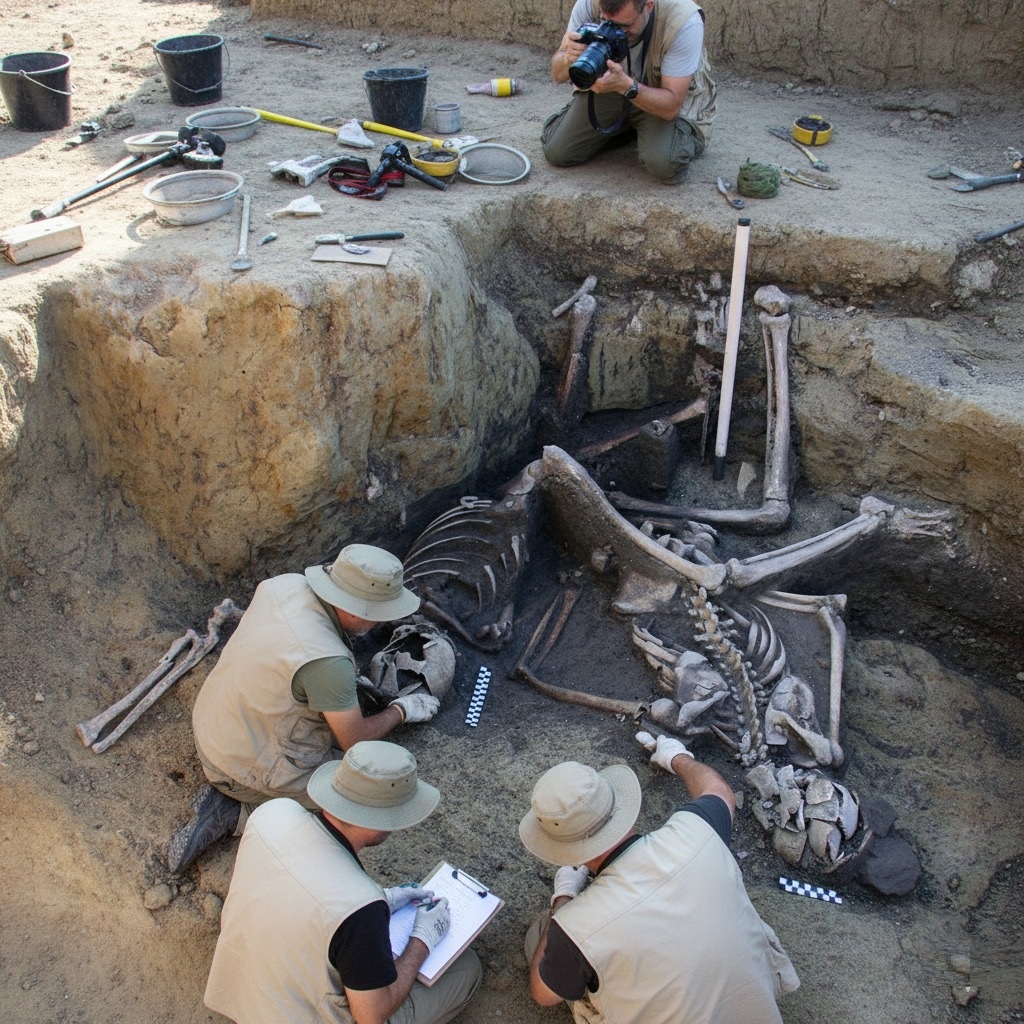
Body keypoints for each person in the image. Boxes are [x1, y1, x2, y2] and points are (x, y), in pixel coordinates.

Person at [167, 543, 442, 873]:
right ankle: (235, 811)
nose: (383, 618)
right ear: (358, 609)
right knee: (364, 797)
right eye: (379, 611)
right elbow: (354, 740)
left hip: (214, 727)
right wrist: (401, 710)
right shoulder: (328, 663)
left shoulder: (283, 584)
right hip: (241, 766)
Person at [519, 731, 800, 1023]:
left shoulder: (575, 927)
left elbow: (543, 994)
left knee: (540, 937)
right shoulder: (697, 829)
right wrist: (676, 757)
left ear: (564, 849)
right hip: (757, 1013)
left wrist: (564, 899)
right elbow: (718, 791)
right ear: (615, 803)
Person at [204, 740, 483, 1024]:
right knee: (467, 970)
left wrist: (384, 900)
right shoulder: (362, 910)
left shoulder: (273, 812)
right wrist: (421, 941)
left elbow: (298, 890)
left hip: (238, 991)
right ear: (383, 820)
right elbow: (371, 1015)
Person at [543, 0, 717, 184]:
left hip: (661, 97)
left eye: (625, 25)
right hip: (612, 89)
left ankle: (651, 134)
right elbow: (557, 75)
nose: (616, 31)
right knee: (558, 153)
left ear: (648, 5)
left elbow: (671, 107)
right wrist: (568, 59)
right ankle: (628, 131)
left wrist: (626, 86)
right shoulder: (589, 4)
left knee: (663, 163)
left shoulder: (682, 20)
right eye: (606, 22)